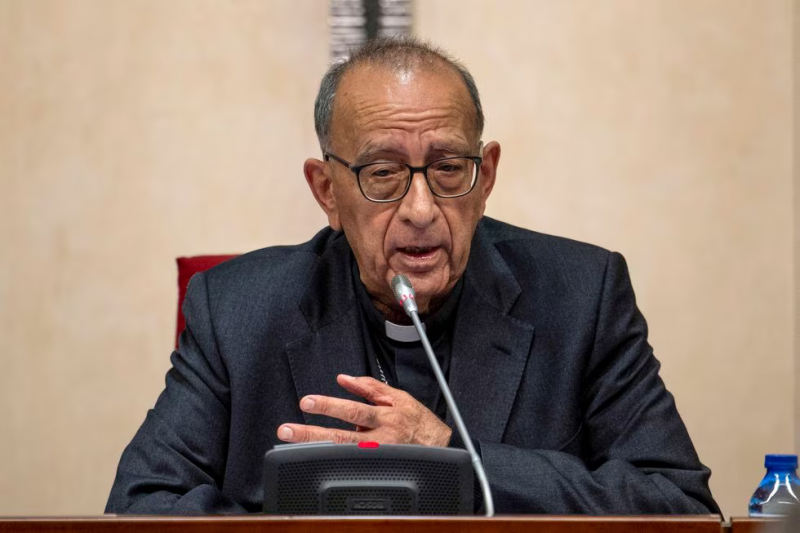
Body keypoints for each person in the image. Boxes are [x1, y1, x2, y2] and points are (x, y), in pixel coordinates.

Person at [106, 37, 719, 515]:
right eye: (382, 173)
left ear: (488, 177)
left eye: (450, 168)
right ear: (326, 191)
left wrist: (457, 461)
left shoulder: (581, 295)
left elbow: (676, 502)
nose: (422, 210)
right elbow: (142, 504)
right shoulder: (236, 309)